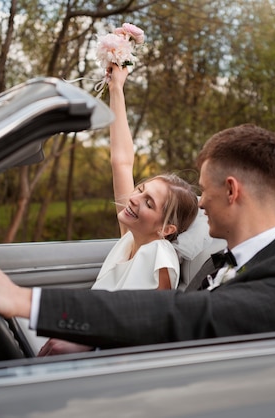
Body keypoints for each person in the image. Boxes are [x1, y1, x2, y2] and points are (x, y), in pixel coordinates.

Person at [0, 123, 275, 351]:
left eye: (206, 190)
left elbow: (181, 315)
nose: (201, 203)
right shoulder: (220, 264)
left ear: (232, 191)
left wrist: (23, 300)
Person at [90, 64, 198, 291]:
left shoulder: (158, 256)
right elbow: (121, 162)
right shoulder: (132, 238)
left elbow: (150, 321)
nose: (134, 199)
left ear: (167, 229)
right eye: (141, 190)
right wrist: (116, 86)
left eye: (149, 203)